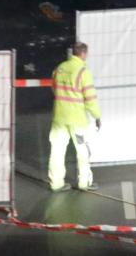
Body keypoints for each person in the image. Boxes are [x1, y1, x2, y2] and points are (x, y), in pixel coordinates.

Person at [48, 42, 101, 193]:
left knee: (57, 151)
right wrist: (97, 116)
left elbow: (54, 88)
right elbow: (90, 98)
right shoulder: (83, 71)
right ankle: (84, 183)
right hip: (77, 120)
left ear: (73, 53)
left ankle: (56, 183)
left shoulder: (60, 68)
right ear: (84, 54)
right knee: (82, 150)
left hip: (59, 118)